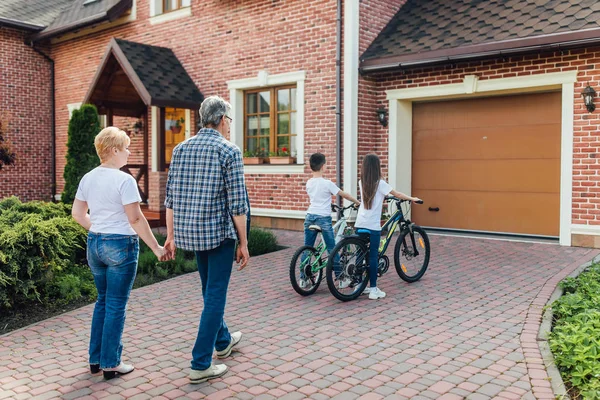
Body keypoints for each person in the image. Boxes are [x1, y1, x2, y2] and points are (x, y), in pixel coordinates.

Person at [164, 95, 249, 384]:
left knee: (208, 291)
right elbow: (238, 205)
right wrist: (244, 243)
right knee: (215, 295)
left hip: (192, 234)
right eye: (230, 121)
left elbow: (171, 199)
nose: (229, 126)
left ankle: (223, 341)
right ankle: (201, 364)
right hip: (219, 235)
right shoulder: (229, 151)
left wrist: (171, 237)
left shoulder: (180, 149)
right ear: (223, 119)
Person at [71, 126, 167, 380]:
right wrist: (156, 248)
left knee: (102, 301)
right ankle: (111, 363)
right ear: (114, 150)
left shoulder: (88, 178)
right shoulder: (125, 180)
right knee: (115, 304)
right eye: (126, 148)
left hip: (95, 244)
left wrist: (100, 231)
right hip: (121, 245)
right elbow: (135, 219)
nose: (128, 152)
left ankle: (96, 359)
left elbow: (78, 215)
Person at [354, 153, 421, 300]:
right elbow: (397, 194)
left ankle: (360, 285)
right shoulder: (380, 184)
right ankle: (373, 289)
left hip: (359, 223)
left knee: (360, 254)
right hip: (372, 226)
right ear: (377, 167)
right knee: (372, 257)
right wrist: (412, 199)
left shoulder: (362, 182)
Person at [303, 153, 360, 288]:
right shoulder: (327, 183)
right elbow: (343, 194)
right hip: (323, 218)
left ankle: (303, 279)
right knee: (332, 249)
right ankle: (340, 279)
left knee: (307, 248)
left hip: (310, 216)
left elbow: (316, 198)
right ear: (323, 166)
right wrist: (357, 201)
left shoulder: (309, 183)